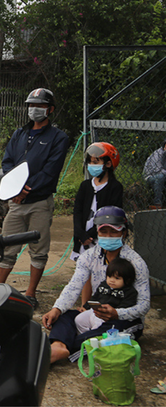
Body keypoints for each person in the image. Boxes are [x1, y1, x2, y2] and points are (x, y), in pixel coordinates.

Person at [41, 206, 150, 364]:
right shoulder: (88, 256)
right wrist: (56, 308)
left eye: (114, 231)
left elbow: (144, 305)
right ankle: (59, 346)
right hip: (95, 313)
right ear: (97, 232)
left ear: (124, 233)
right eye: (103, 232)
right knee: (63, 316)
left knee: (110, 333)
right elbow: (74, 286)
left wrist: (118, 314)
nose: (108, 236)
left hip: (124, 319)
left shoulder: (136, 263)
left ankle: (63, 346)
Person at [0, 88, 70, 309]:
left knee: (38, 249)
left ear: (50, 110)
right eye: (30, 105)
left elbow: (51, 170)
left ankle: (30, 293)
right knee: (7, 246)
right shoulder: (19, 134)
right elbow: (7, 162)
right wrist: (15, 189)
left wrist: (27, 188)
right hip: (16, 203)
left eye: (38, 106)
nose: (33, 109)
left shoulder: (59, 138)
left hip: (39, 202)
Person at [72, 142, 124, 261]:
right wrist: (80, 234)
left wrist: (90, 235)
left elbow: (112, 215)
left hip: (101, 238)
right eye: (90, 162)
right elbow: (77, 211)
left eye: (95, 162)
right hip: (82, 239)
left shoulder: (115, 187)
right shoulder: (85, 186)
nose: (91, 165)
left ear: (108, 164)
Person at [75, 257, 137, 334]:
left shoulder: (129, 292)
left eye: (117, 278)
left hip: (108, 318)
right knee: (79, 319)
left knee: (98, 326)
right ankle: (84, 335)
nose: (111, 280)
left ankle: (93, 338)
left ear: (127, 280)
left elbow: (126, 307)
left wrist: (115, 313)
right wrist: (85, 307)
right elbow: (95, 297)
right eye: (109, 276)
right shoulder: (104, 285)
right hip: (95, 311)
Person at [144, 138, 166, 209]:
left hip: (163, 175)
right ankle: (157, 203)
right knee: (160, 177)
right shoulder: (158, 154)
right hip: (151, 176)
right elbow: (157, 170)